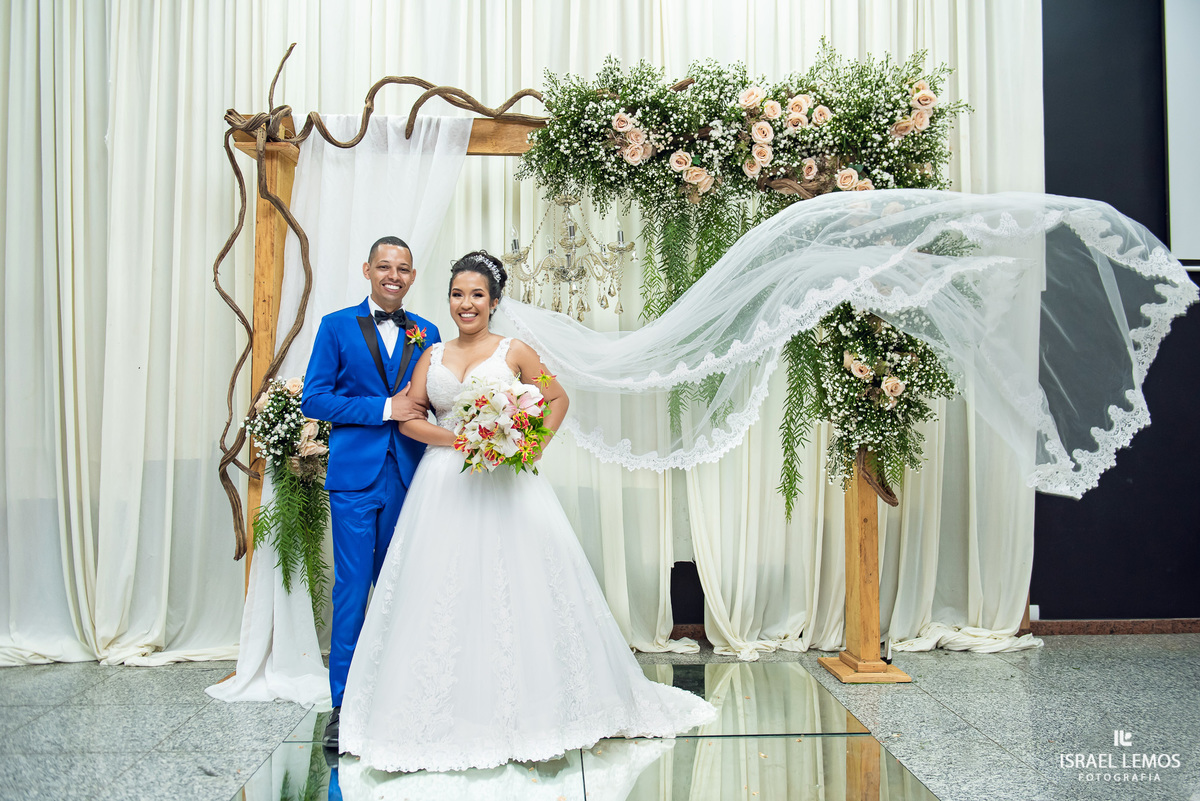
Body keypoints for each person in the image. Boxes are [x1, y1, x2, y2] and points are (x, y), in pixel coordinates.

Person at [337, 251, 717, 773]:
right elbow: (410, 419)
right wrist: (461, 440)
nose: (466, 303)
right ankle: (445, 711)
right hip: (443, 485)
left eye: (477, 295)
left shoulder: (514, 351)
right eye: (457, 294)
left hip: (504, 484)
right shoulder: (430, 354)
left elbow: (556, 399)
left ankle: (533, 709)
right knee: (442, 592)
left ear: (494, 302)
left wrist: (529, 445)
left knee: (515, 589)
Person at [300, 235, 440, 749]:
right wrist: (384, 408)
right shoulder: (335, 326)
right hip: (355, 480)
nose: (393, 276)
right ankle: (344, 706)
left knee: (405, 589)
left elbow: (438, 398)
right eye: (384, 266)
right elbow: (314, 399)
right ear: (367, 270)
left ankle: (407, 697)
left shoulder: (428, 332)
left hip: (411, 477)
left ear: (412, 277)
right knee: (353, 591)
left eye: (402, 268)